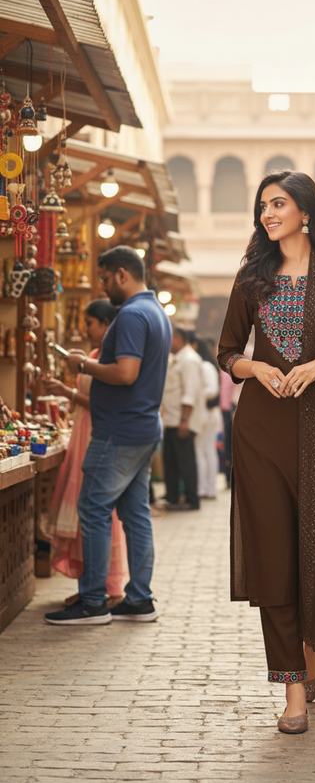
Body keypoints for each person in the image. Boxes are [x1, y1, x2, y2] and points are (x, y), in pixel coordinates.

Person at [217, 169, 315, 734]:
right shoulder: (251, 278)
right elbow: (226, 352)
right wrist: (254, 368)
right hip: (260, 433)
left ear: (306, 212)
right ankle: (292, 690)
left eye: (279, 203)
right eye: (263, 205)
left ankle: (311, 643)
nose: (268, 213)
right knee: (272, 555)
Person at [44, 245, 172, 625]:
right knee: (135, 515)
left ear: (121, 274)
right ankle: (139, 599)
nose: (103, 285)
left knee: (93, 508)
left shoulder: (131, 314)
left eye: (104, 278)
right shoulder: (155, 311)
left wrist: (84, 363)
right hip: (140, 427)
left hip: (119, 430)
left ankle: (92, 602)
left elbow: (126, 372)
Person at [42, 299, 128, 606]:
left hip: (98, 435)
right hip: (83, 434)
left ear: (106, 325)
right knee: (86, 513)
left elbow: (106, 405)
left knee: (99, 511)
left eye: (90, 323)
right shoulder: (93, 356)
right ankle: (89, 585)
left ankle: (110, 587)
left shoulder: (113, 360)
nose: (86, 329)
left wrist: (67, 392)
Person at [161, 326, 205, 511]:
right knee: (171, 462)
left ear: (178, 338)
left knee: (185, 462)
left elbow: (190, 392)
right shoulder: (177, 359)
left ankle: (191, 499)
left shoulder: (189, 360)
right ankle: (173, 498)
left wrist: (184, 420)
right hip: (172, 420)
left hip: (182, 420)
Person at [193, 336, 221, 499]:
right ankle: (207, 489)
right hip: (208, 413)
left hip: (207, 413)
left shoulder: (205, 366)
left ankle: (204, 489)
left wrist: (195, 395)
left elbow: (212, 390)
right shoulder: (208, 365)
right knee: (207, 451)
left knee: (203, 451)